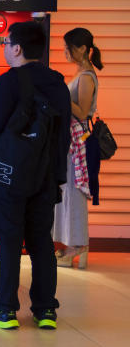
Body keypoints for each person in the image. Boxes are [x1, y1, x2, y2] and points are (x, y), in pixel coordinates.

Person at [0, 21, 71, 330]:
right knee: (40, 242)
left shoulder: (9, 82)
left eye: (6, 43)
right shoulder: (58, 83)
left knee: (7, 239)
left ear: (16, 48)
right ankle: (46, 311)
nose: (5, 48)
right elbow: (63, 135)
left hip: (9, 174)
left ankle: (4, 309)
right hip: (46, 175)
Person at [54, 28, 103, 269]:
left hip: (78, 142)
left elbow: (82, 112)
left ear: (82, 49)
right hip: (73, 141)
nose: (65, 52)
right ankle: (74, 244)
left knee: (74, 193)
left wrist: (61, 94)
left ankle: (78, 245)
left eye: (68, 47)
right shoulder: (82, 74)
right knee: (69, 192)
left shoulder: (86, 77)